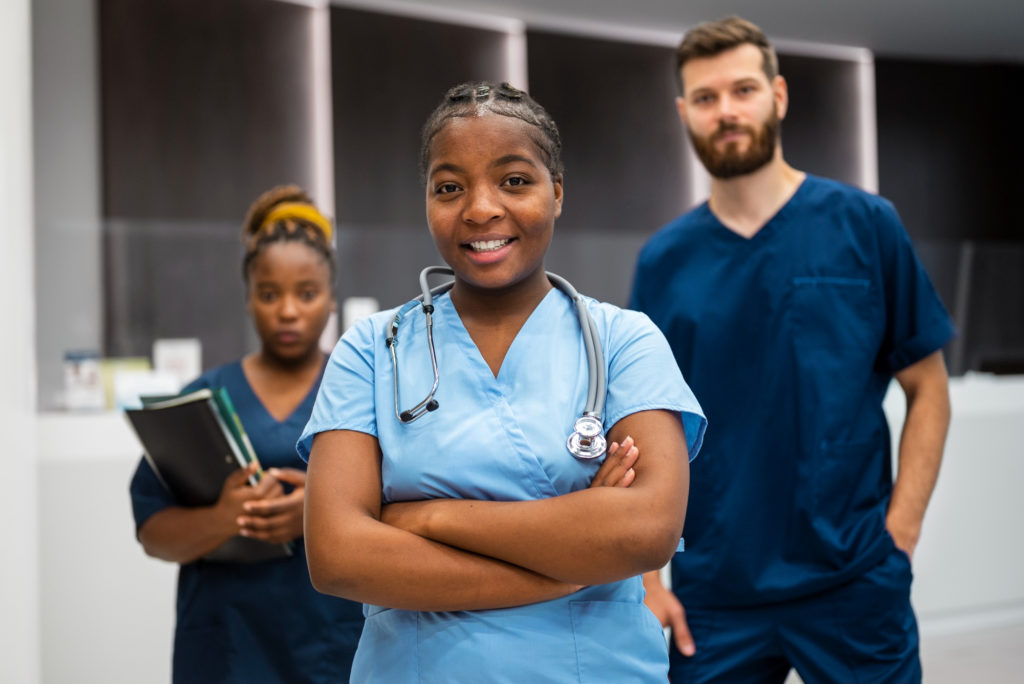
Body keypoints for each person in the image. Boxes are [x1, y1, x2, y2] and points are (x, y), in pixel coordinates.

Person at [298, 81, 707, 682]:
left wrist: (429, 518)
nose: (481, 208)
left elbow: (646, 531)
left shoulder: (626, 342)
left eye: (514, 180)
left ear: (557, 192)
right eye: (449, 187)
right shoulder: (373, 348)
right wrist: (572, 559)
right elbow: (337, 555)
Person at [630, 16, 955, 683]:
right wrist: (645, 579)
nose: (726, 111)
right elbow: (641, 427)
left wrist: (901, 536)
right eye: (706, 97)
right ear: (684, 113)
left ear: (777, 96)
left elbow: (929, 389)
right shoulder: (664, 261)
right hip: (714, 594)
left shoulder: (865, 225)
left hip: (853, 579)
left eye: (742, 90)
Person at [129, 186, 364, 684]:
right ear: (248, 297)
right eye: (269, 293)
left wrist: (315, 513)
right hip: (224, 649)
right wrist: (223, 518)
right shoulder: (202, 401)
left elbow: (411, 514)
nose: (288, 311)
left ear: (331, 300)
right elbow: (153, 532)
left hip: (330, 646)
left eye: (306, 293)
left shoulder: (361, 394)